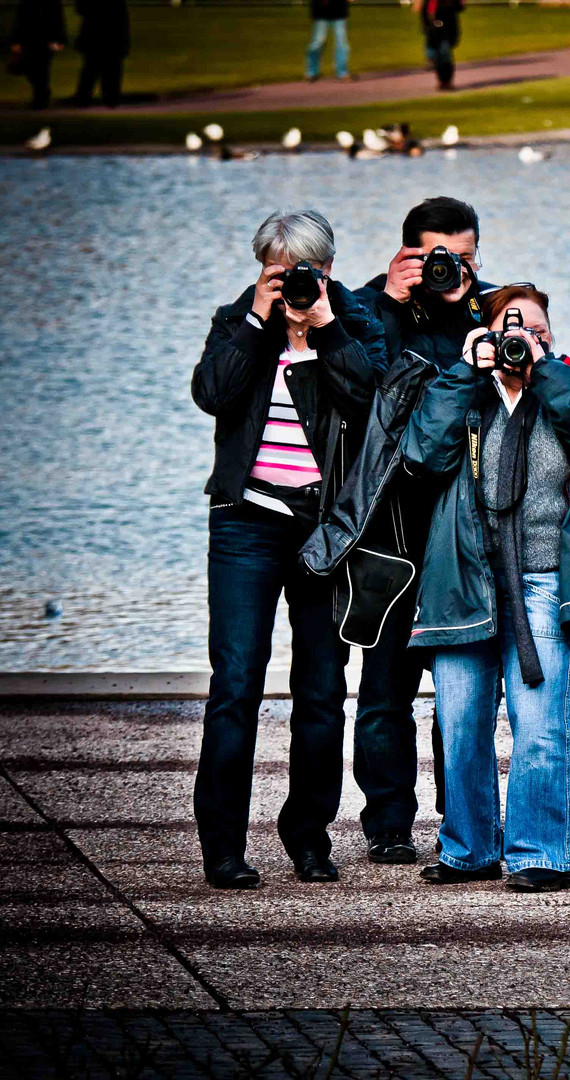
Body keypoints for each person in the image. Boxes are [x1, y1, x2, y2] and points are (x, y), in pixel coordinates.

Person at [406, 285, 570, 892]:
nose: (519, 338)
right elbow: (421, 454)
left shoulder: (567, 393)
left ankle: (540, 854)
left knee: (538, 725)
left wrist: (546, 373)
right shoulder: (464, 394)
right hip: (463, 579)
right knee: (459, 721)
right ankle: (469, 848)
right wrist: (463, 371)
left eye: (533, 328)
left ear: (549, 337)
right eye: (507, 329)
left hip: (544, 581)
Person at [190, 209, 389, 890]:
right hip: (246, 523)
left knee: (322, 691)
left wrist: (323, 329)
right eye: (283, 272)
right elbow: (212, 394)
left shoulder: (357, 320)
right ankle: (223, 847)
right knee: (236, 684)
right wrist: (257, 319)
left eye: (312, 270)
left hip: (324, 528)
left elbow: (370, 402)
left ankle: (308, 837)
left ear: (330, 267)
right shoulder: (237, 320)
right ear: (262, 269)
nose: (300, 283)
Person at [340, 196, 497, 866]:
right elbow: (362, 394)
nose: (448, 270)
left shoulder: (493, 310)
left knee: (464, 685)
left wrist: (472, 310)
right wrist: (384, 298)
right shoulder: (370, 309)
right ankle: (387, 824)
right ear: (407, 254)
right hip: (393, 521)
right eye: (435, 258)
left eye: (461, 259)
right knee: (385, 685)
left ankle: (460, 817)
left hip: (468, 521)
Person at [66, 0, 127, 107]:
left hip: (95, 34)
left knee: (91, 69)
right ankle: (110, 99)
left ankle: (85, 98)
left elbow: (81, 9)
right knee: (109, 69)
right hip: (112, 35)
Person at [8, 0, 65, 110]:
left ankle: (41, 97)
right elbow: (21, 19)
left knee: (40, 69)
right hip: (34, 38)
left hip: (42, 39)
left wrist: (59, 39)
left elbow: (58, 19)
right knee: (37, 70)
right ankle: (42, 95)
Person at [414, 0, 461, 91]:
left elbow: (457, 8)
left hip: (445, 29)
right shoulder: (429, 3)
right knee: (437, 55)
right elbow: (424, 14)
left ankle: (446, 82)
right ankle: (443, 81)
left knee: (444, 53)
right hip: (433, 29)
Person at [305, 0, 352, 83]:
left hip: (339, 12)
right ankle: (312, 72)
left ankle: (342, 72)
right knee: (317, 43)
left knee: (342, 44)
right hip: (321, 12)